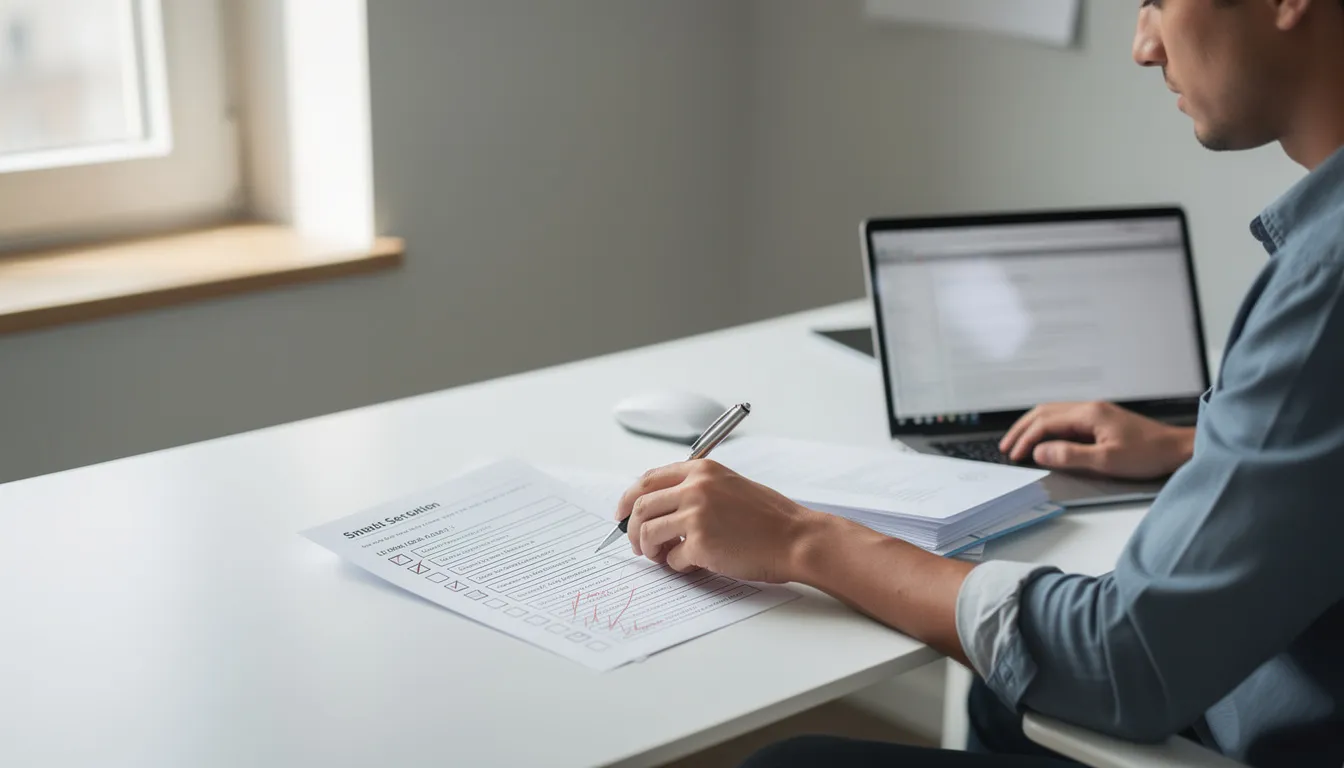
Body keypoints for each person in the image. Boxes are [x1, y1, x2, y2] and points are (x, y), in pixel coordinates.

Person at [614, 1, 1344, 766]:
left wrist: (801, 537)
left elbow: (1126, 658)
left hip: (1264, 722)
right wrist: (1195, 448)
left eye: (1158, 0)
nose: (1142, 45)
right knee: (997, 704)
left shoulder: (1326, 281)